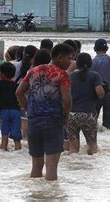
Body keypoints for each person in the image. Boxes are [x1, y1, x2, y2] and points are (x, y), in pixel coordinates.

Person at [16, 43, 74, 181]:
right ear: (60, 57)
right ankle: (50, 196)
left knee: (36, 166)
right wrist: (65, 116)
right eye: (69, 58)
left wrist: (28, 109)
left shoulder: (33, 71)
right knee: (51, 167)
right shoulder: (62, 75)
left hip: (34, 121)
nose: (71, 62)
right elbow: (67, 99)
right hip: (54, 121)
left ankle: (36, 195)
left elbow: (18, 92)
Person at [68, 53, 104, 155]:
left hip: (71, 115)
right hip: (88, 114)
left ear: (77, 63)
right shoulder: (94, 76)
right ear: (90, 63)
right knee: (92, 146)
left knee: (73, 149)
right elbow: (100, 93)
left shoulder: (70, 76)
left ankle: (74, 167)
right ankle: (90, 167)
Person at [0, 62, 22, 151]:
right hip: (15, 111)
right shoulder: (16, 85)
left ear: (2, 74)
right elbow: (20, 99)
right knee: (17, 137)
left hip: (4, 111)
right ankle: (18, 152)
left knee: (4, 136)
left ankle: (3, 153)